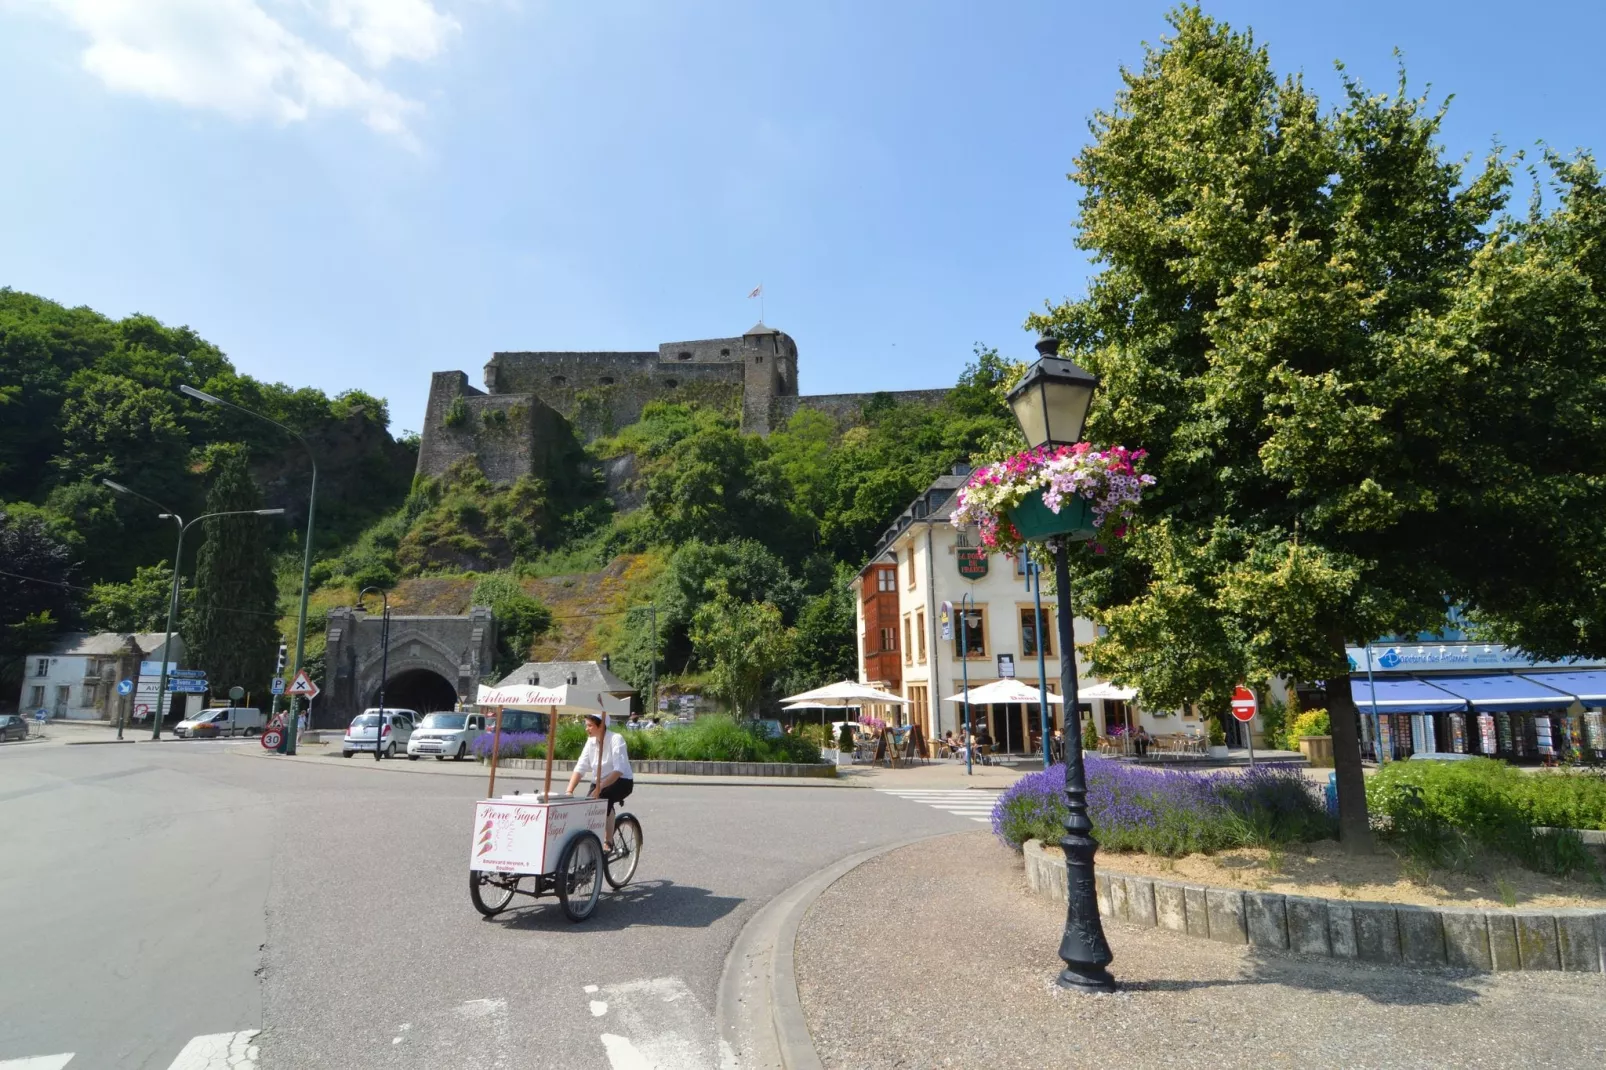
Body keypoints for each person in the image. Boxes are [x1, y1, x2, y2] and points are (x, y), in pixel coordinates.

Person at [566, 712, 634, 851]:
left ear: (601, 726)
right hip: (599, 781)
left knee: (603, 798)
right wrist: (569, 791)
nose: (587, 729)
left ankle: (608, 842)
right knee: (587, 806)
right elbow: (581, 766)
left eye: (590, 725)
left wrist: (600, 787)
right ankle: (590, 843)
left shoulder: (616, 739)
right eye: (586, 725)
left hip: (621, 780)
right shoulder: (590, 742)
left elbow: (619, 770)